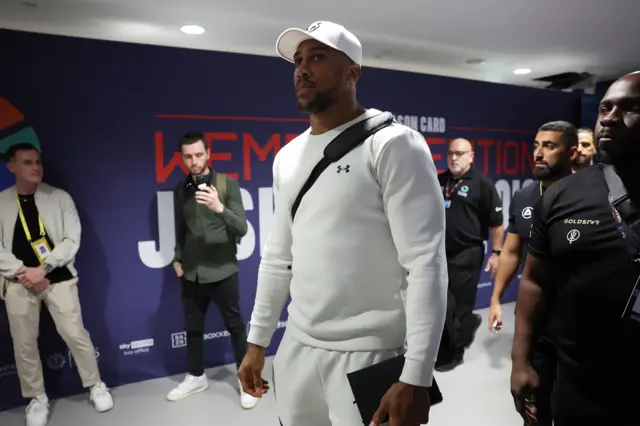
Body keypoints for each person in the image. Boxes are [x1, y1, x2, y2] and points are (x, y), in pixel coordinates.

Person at [237, 21, 447, 426]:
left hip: (372, 354)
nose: (302, 68)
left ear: (353, 72)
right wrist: (258, 341)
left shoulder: (393, 145)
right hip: (297, 348)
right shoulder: (287, 156)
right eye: (298, 60)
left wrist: (416, 374)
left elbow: (425, 264)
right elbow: (278, 257)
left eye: (317, 56)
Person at [511, 72, 640, 425]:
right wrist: (521, 361)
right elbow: (535, 280)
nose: (611, 117)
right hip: (580, 383)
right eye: (605, 107)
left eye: (632, 108)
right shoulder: (561, 195)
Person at [0, 143, 113, 426]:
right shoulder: (1, 202)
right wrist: (22, 271)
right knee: (24, 344)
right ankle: (36, 398)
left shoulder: (60, 198)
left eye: (38, 161)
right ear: (11, 166)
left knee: (75, 333)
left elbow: (71, 239)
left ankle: (95, 384)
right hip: (17, 282)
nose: (35, 167)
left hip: (57, 278)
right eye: (27, 162)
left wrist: (45, 268)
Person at [489, 121, 578, 425]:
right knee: (534, 407)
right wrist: (496, 298)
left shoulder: (593, 196)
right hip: (535, 322)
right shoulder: (526, 196)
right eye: (536, 146)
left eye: (549, 146)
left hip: (579, 325)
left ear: (572, 152)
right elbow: (512, 251)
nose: (539, 154)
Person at [167, 132, 258, 409]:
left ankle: (247, 382)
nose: (193, 161)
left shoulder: (227, 184)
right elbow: (181, 230)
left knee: (235, 328)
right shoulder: (180, 190)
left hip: (223, 271)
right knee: (193, 328)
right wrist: (177, 258)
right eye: (188, 156)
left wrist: (218, 207)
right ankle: (196, 376)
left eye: (198, 154)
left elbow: (241, 227)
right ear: (182, 158)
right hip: (192, 274)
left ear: (208, 153)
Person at [435, 138, 504, 371]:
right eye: (451, 153)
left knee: (460, 306)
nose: (454, 158)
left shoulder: (482, 184)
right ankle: (440, 345)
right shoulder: (439, 181)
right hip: (437, 254)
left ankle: (456, 352)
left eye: (460, 153)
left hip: (467, 253)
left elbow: (496, 224)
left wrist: (496, 254)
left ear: (471, 156)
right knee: (438, 304)